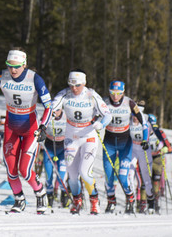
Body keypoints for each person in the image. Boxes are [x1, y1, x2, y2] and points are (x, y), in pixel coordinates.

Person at [0, 48, 52, 214]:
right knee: (11, 169)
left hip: (30, 129)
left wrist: (43, 126)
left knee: (24, 170)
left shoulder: (35, 78)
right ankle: (19, 199)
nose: (13, 70)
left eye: (17, 66)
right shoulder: (1, 76)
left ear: (24, 64)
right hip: (11, 127)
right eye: (10, 66)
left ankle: (40, 193)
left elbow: (49, 105)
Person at [51, 70, 110, 215]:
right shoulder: (64, 94)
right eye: (71, 85)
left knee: (85, 172)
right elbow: (51, 107)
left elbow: (107, 114)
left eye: (77, 85)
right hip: (71, 137)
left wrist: (101, 124)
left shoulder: (91, 95)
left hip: (88, 136)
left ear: (84, 83)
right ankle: (77, 200)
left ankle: (94, 200)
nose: (74, 88)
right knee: (71, 177)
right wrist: (53, 113)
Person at [103, 80, 146, 214]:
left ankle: (130, 199)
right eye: (112, 93)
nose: (115, 96)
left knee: (123, 177)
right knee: (109, 177)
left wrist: (145, 139)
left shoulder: (130, 103)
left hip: (125, 145)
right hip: (109, 144)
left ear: (123, 93)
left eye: (118, 93)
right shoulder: (104, 102)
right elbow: (93, 117)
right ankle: (111, 201)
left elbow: (143, 120)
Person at [128, 108, 154, 214]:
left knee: (146, 177)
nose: (135, 118)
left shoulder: (145, 123)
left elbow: (150, 132)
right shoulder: (129, 123)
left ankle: (151, 202)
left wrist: (146, 140)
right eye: (133, 115)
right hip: (133, 149)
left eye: (136, 116)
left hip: (144, 151)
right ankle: (131, 202)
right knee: (129, 174)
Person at [42, 108, 69, 208]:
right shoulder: (48, 116)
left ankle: (65, 195)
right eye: (53, 110)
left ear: (61, 109)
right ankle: (49, 198)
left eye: (57, 110)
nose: (55, 112)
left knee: (61, 178)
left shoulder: (67, 116)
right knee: (48, 178)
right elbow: (40, 128)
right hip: (49, 149)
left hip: (62, 150)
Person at [146, 112, 171, 213]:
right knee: (146, 182)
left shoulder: (160, 132)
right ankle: (143, 203)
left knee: (156, 180)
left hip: (157, 158)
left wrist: (165, 149)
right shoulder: (144, 131)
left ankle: (155, 202)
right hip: (146, 158)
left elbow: (168, 146)